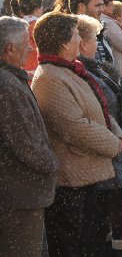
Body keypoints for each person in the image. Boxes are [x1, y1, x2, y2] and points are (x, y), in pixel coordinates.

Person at [31, 11, 122, 256]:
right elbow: (76, 127)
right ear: (64, 43)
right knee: (75, 245)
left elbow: (100, 105)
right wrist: (113, 144)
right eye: (76, 35)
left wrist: (118, 135)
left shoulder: (70, 69)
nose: (80, 40)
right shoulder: (50, 77)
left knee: (93, 242)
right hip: (74, 182)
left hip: (90, 175)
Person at [76, 14, 122, 257]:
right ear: (83, 43)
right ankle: (113, 247)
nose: (98, 43)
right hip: (109, 147)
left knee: (116, 198)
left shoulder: (96, 68)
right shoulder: (86, 72)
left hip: (114, 144)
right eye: (95, 38)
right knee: (109, 201)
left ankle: (116, 245)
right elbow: (103, 108)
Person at [0, 16, 59, 256]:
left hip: (18, 191)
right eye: (26, 42)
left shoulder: (11, 80)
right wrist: (53, 164)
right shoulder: (7, 86)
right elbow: (26, 142)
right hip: (18, 194)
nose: (31, 48)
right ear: (10, 49)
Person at [16, 0, 43, 73]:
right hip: (36, 69)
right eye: (41, 7)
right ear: (36, 9)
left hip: (20, 69)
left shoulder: (16, 26)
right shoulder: (39, 26)